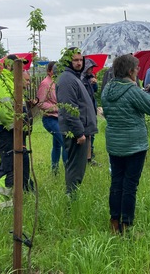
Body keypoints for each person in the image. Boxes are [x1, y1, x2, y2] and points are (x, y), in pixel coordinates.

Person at [102, 54, 150, 234]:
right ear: (130, 71)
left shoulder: (106, 89)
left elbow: (114, 109)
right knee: (129, 186)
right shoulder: (133, 90)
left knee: (116, 183)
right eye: (137, 69)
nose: (138, 71)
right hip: (135, 146)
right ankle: (127, 224)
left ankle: (114, 222)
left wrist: (137, 93)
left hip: (114, 144)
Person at [0, 55, 34, 209]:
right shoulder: (3, 83)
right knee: (8, 168)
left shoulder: (12, 82)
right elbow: (5, 113)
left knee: (14, 166)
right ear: (9, 66)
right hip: (5, 132)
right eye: (19, 66)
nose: (23, 70)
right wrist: (19, 129)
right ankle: (4, 204)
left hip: (11, 132)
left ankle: (13, 199)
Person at [56, 48, 98, 196]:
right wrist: (79, 133)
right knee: (75, 168)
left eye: (81, 60)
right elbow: (69, 109)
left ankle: (72, 197)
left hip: (81, 130)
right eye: (75, 60)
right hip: (76, 133)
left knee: (77, 167)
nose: (79, 63)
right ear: (68, 61)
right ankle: (71, 200)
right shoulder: (67, 80)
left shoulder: (75, 77)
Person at [37, 61, 67, 174]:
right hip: (50, 118)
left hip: (59, 118)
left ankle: (54, 171)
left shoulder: (57, 82)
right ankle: (68, 170)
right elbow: (40, 103)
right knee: (65, 142)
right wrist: (57, 108)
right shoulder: (45, 83)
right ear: (49, 71)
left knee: (57, 145)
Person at [81, 58, 101, 166]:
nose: (92, 70)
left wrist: (94, 83)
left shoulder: (91, 78)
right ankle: (86, 157)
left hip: (92, 108)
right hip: (85, 110)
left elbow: (95, 90)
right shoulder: (82, 79)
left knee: (91, 133)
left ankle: (90, 155)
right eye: (90, 68)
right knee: (87, 133)